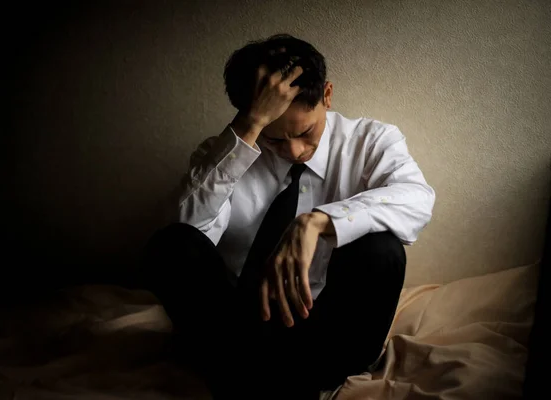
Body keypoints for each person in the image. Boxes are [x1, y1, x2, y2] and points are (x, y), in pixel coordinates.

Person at [139, 34, 435, 399]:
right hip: (237, 327)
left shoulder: (371, 141)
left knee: (383, 248)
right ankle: (268, 377)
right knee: (171, 243)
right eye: (274, 139)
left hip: (328, 331)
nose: (295, 151)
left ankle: (257, 378)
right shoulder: (223, 155)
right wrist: (249, 129)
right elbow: (188, 232)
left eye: (305, 132)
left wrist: (319, 222)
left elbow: (417, 201)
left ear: (327, 95)